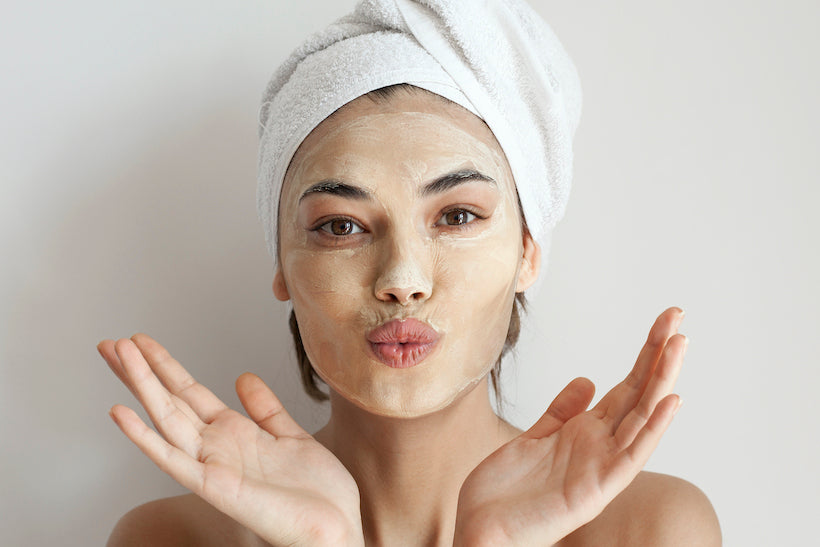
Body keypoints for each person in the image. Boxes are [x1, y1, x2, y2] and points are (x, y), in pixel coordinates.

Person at [99, 1, 721, 545]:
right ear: (283, 264)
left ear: (528, 251)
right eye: (341, 225)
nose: (402, 279)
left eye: (456, 215)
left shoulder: (650, 530)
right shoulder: (169, 539)